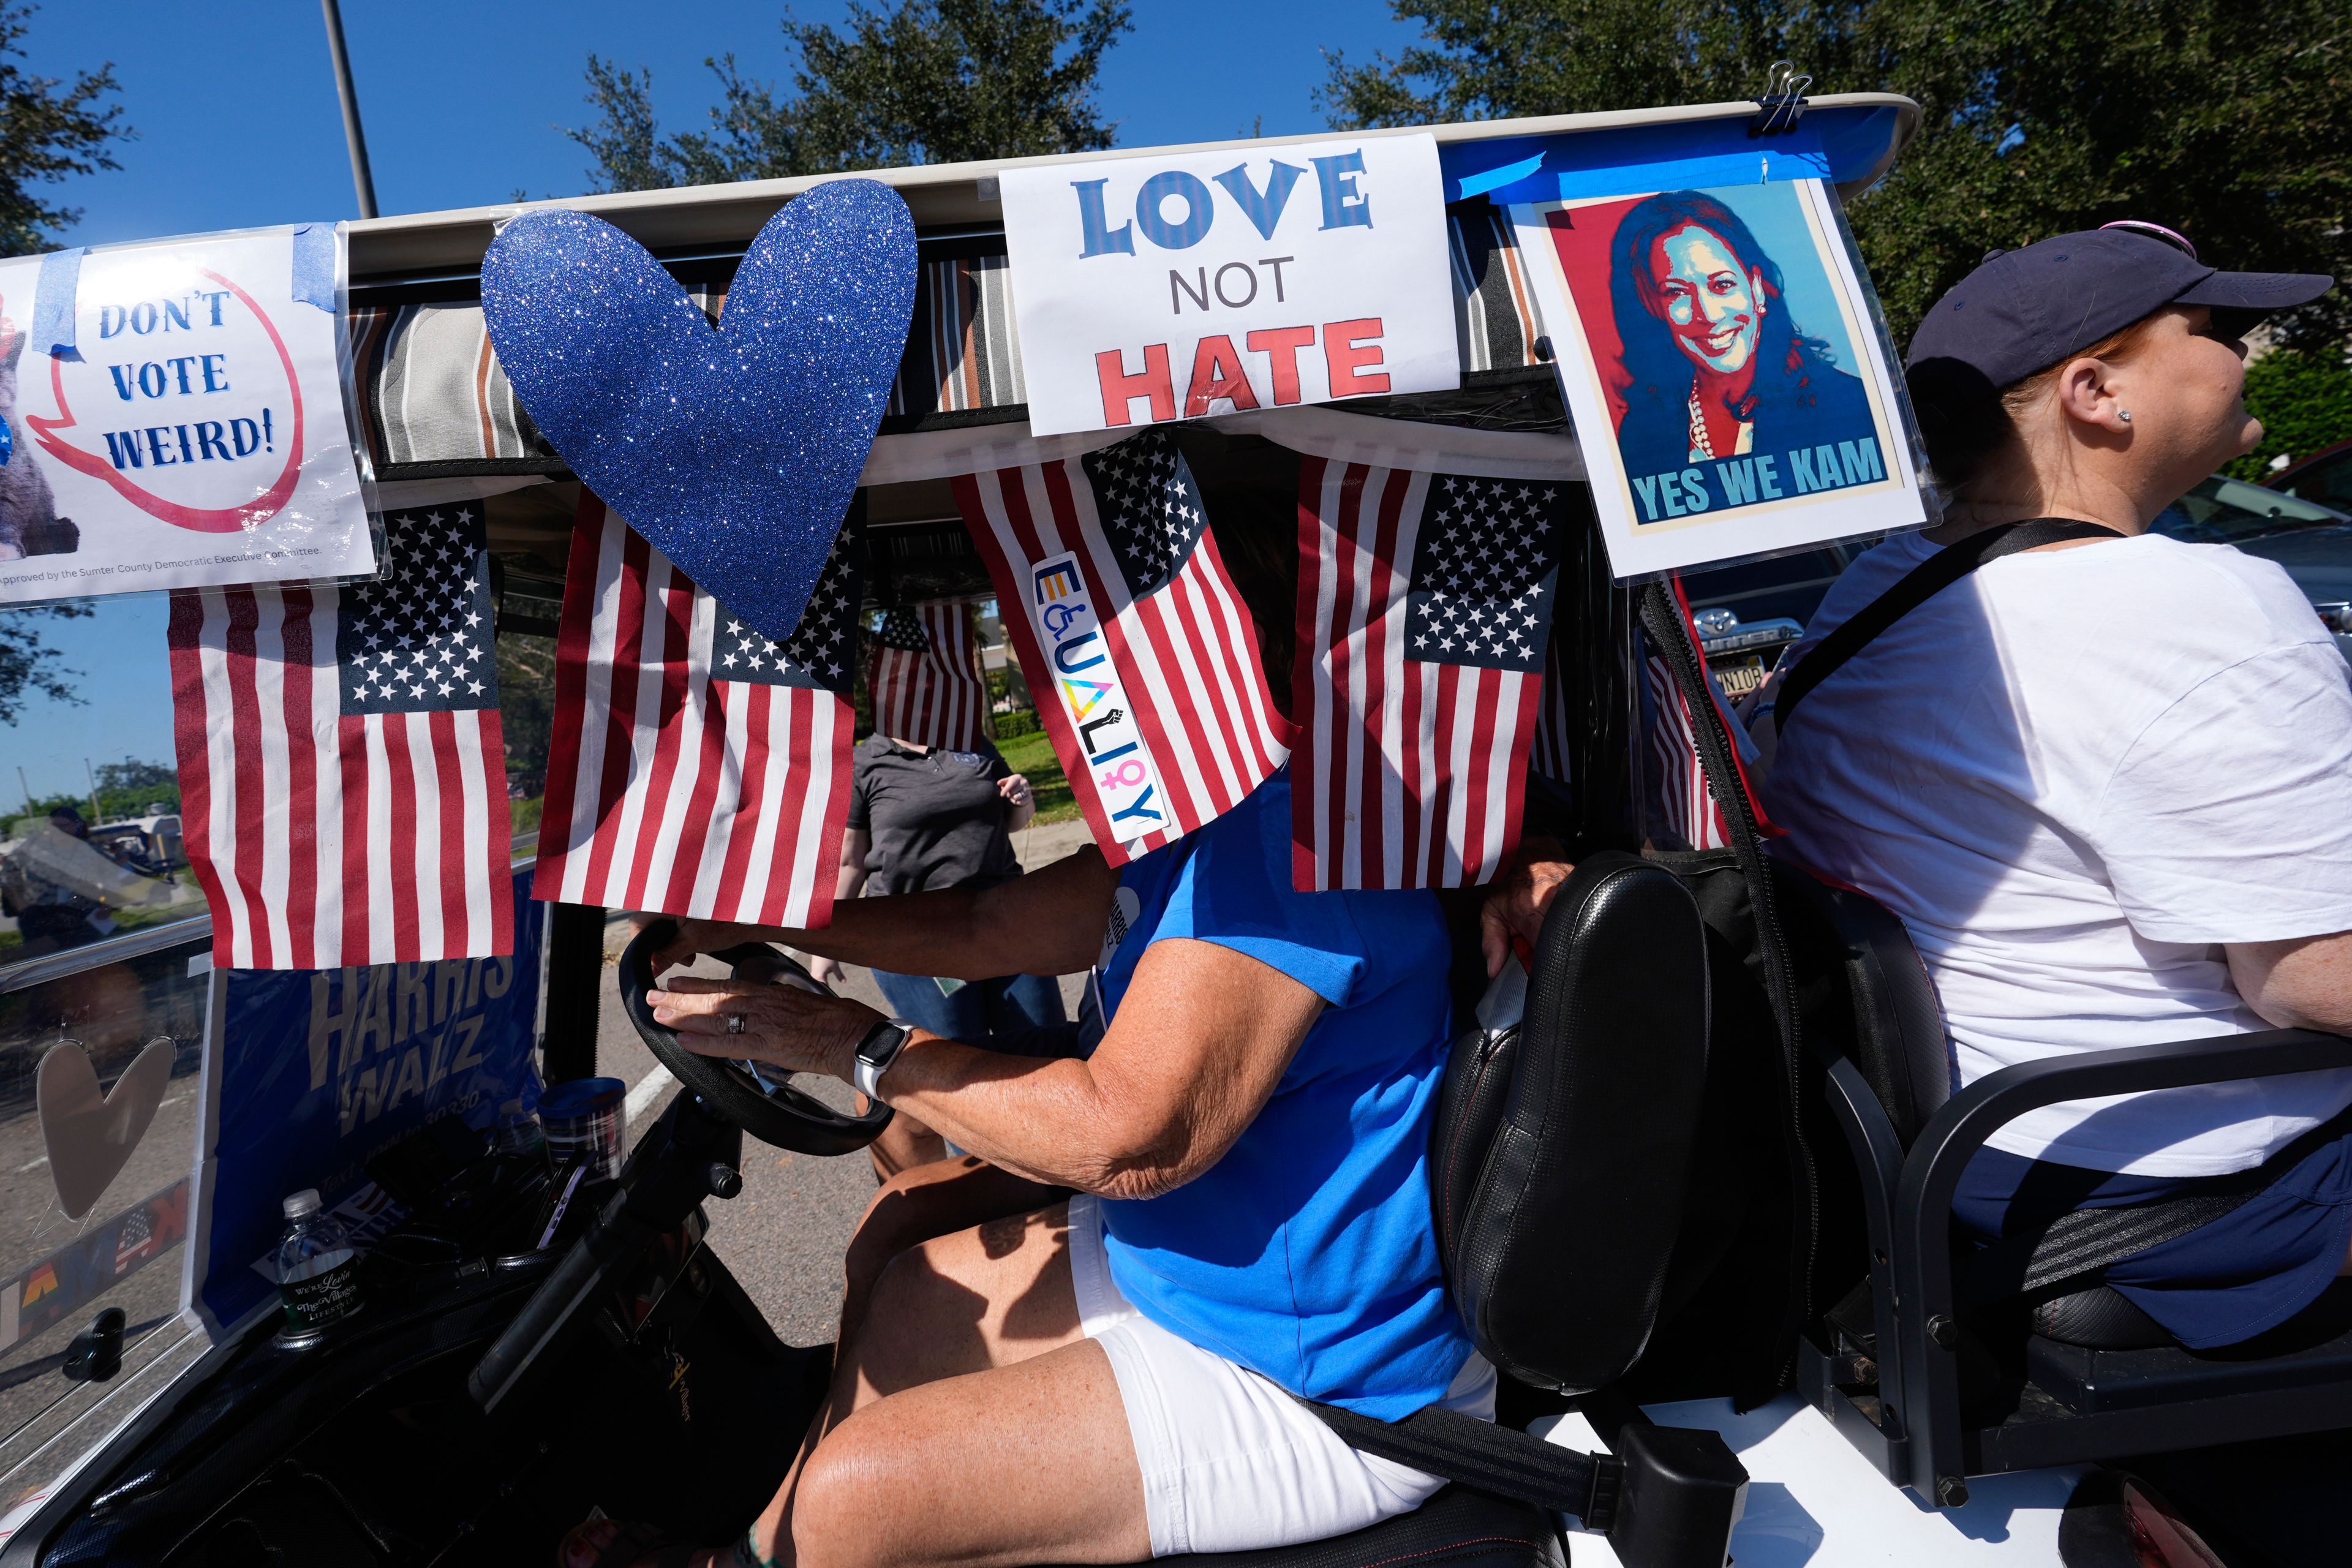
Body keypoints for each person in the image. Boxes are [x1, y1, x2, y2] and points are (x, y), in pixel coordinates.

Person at [1497, 224, 2352, 1349]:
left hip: (1972, 1153)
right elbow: (2308, 982)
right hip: (2193, 1198)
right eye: (2211, 330)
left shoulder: (1885, 586)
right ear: (2098, 393)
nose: (2241, 355)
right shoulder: (2204, 611)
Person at [568, 542, 1488, 1568]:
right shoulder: (1208, 827)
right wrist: (775, 920)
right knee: (903, 1268)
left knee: (854, 1501)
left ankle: (802, 1540)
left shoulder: (1285, 842)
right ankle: (764, 1550)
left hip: (1322, 1380)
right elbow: (983, 925)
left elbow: (1127, 1140)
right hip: (1201, 1278)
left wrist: (844, 1040)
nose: (1079, 688)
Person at [817, 727, 1061, 1177]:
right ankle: (987, 1188)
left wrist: (1022, 800)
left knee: (1042, 1049)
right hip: (917, 937)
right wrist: (826, 942)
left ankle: (1058, 1172)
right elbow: (853, 859)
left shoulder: (971, 740)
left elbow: (1010, 820)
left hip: (1005, 918)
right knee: (959, 1074)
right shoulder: (865, 760)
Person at [1608, 190, 1875, 477]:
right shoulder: (1643, 433)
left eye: (1722, 285)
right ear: (1654, 308)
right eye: (1676, 292)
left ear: (1756, 288)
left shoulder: (1848, 404)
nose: (1708, 314)